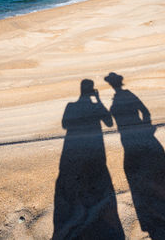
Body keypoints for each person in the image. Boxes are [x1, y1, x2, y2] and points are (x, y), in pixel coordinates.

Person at [105, 72, 165, 240]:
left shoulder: (126, 95)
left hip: (134, 141)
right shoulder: (126, 95)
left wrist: (145, 128)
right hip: (134, 140)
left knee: (144, 179)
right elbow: (145, 113)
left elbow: (142, 113)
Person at [52, 79, 124, 240]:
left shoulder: (71, 106)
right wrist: (98, 102)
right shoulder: (91, 105)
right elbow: (109, 122)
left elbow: (65, 125)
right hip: (95, 147)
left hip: (74, 146)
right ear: (91, 91)